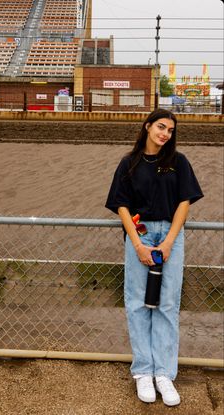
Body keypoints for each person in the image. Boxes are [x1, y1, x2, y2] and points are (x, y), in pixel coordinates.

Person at [105, 108, 203, 407]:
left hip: (170, 234)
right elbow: (121, 206)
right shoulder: (129, 163)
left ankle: (164, 373)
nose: (165, 134)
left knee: (167, 304)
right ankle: (143, 372)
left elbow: (184, 203)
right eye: (161, 127)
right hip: (140, 233)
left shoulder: (178, 162)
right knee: (137, 303)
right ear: (147, 126)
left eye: (170, 130)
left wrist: (170, 242)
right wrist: (138, 245)